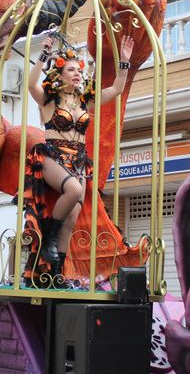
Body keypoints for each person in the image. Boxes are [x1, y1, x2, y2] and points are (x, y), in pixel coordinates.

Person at [20, 34, 134, 287]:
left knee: (71, 219)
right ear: (59, 75)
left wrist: (124, 62)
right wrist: (44, 54)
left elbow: (116, 89)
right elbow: (30, 84)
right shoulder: (48, 100)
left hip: (78, 161)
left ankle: (57, 273)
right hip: (52, 155)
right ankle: (49, 235)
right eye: (71, 69)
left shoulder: (85, 102)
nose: (77, 73)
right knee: (73, 189)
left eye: (78, 70)